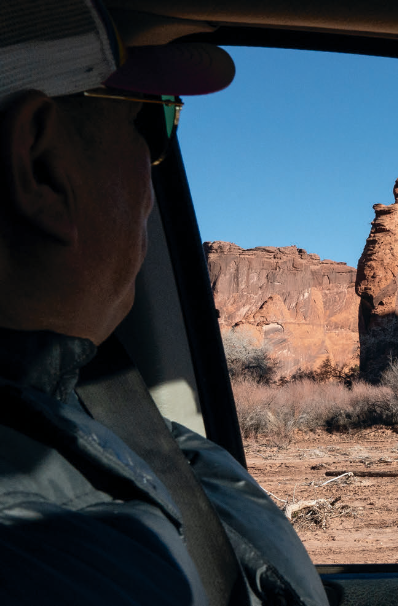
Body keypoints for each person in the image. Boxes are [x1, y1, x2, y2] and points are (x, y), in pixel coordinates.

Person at [0, 1, 329, 604]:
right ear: (41, 165)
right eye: (156, 125)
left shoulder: (89, 419)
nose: (157, 177)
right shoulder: (58, 549)